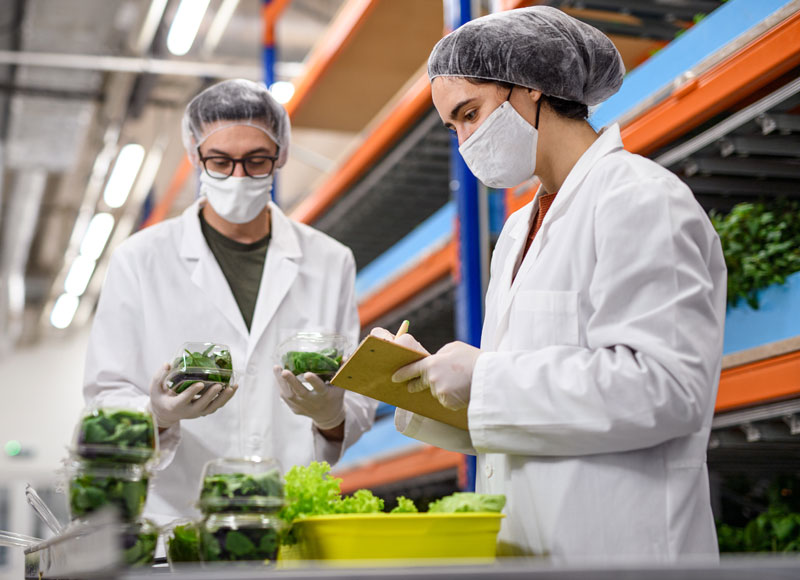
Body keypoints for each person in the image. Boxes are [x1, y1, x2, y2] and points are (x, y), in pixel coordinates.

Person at [372, 6, 727, 562]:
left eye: (470, 113)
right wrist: (424, 382)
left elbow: (664, 388)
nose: (465, 140)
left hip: (625, 551)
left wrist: (485, 378)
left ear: (530, 87)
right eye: (453, 126)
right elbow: (526, 414)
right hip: (532, 548)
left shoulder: (640, 199)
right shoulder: (518, 230)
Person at [84, 79, 377, 525]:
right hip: (180, 522)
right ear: (195, 157)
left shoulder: (330, 260)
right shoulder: (139, 260)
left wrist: (331, 413)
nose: (238, 177)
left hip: (289, 519)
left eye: (256, 161)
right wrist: (157, 416)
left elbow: (353, 400)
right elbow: (106, 399)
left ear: (279, 157)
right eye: (220, 161)